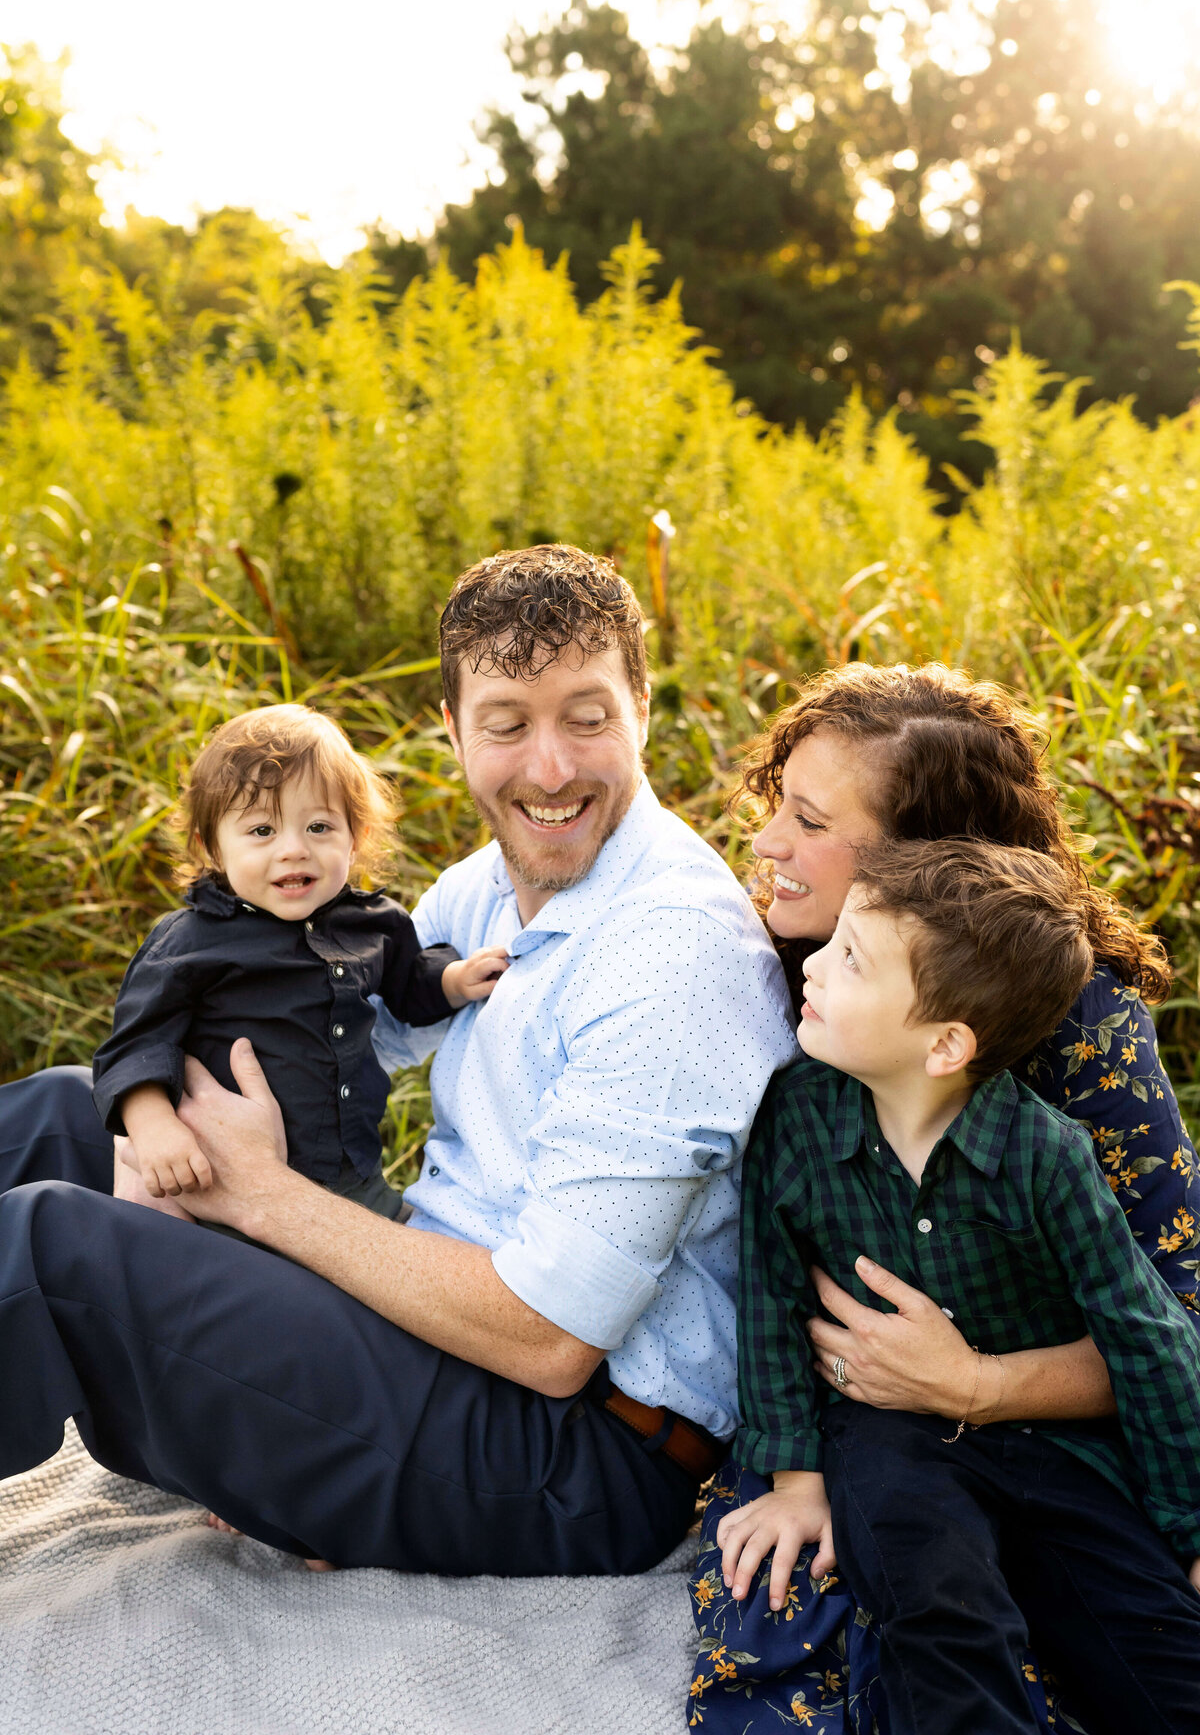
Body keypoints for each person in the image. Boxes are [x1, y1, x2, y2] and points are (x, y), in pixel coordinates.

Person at [0, 544, 797, 1575]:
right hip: (429, 1335)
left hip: (577, 1455)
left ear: (644, 709)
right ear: (454, 732)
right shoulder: (480, 889)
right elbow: (328, 1038)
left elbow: (553, 1340)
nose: (550, 768)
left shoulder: (673, 948)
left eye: (588, 717)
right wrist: (163, 1105)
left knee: (56, 1255)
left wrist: (254, 1196)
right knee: (69, 1115)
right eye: (508, 724)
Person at [688, 661, 1200, 1735]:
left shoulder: (1070, 1033)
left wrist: (974, 1382)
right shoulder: (773, 976)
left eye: (810, 819)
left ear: (919, 868)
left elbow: (1167, 1319)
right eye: (779, 799)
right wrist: (796, 1465)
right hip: (852, 1434)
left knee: (1127, 1633)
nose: (767, 843)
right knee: (841, 1631)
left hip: (1056, 1423)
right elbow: (769, 1286)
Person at [92, 703, 506, 1218]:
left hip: (351, 1176)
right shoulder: (190, 943)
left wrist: (450, 983)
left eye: (318, 827)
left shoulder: (373, 923)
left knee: (394, 1259)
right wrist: (154, 1125)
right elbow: (136, 1047)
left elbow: (408, 987)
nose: (293, 850)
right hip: (221, 1184)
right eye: (262, 831)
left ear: (355, 839)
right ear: (213, 848)